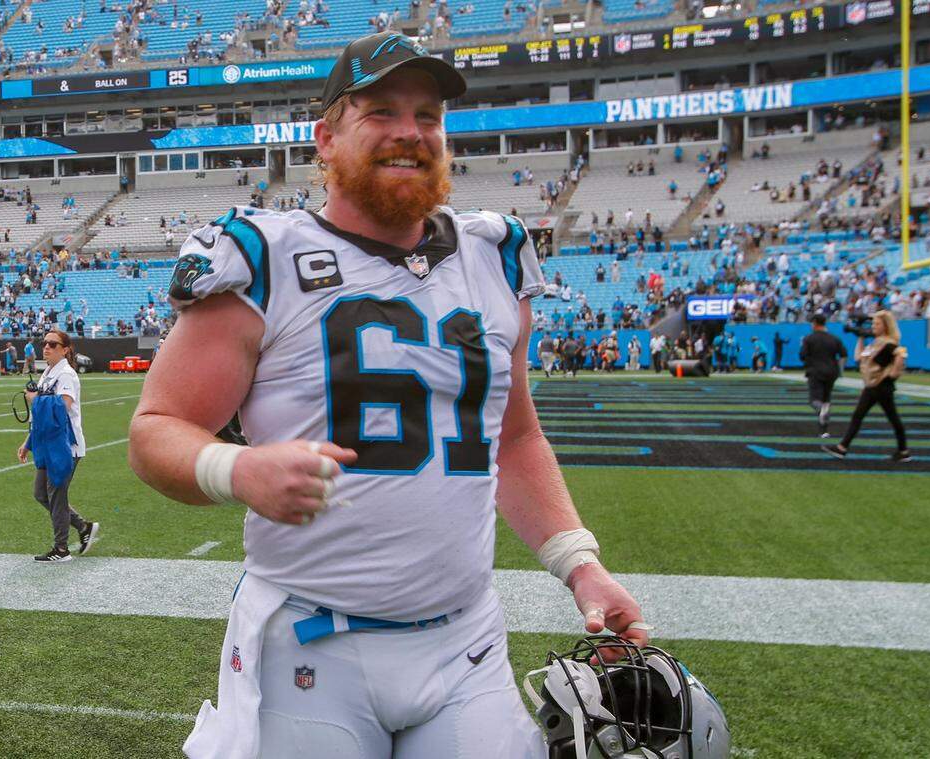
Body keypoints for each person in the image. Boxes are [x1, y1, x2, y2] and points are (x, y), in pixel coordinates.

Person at [127, 32, 647, 759]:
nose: (409, 132)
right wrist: (237, 470)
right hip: (310, 645)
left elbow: (514, 436)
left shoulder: (493, 259)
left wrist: (579, 563)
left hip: (466, 640)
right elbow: (157, 429)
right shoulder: (262, 259)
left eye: (428, 115)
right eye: (379, 112)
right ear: (326, 137)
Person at [17, 330, 99, 562]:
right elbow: (41, 418)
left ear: (65, 349)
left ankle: (61, 549)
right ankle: (83, 527)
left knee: (56, 496)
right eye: (45, 343)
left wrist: (36, 400)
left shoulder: (67, 375)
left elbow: (63, 405)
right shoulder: (48, 373)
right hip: (47, 445)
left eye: (53, 344)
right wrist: (28, 442)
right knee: (41, 493)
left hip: (65, 446)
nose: (47, 347)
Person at [822, 311, 911, 462]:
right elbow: (858, 357)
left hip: (881, 386)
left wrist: (894, 372)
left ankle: (843, 448)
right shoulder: (877, 342)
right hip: (872, 385)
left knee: (888, 418)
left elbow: (900, 354)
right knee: (864, 416)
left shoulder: (888, 343)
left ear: (886, 326)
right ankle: (902, 451)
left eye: (877, 324)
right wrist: (861, 337)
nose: (874, 326)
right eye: (873, 323)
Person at [799, 314, 846, 437]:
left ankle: (821, 412)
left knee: (815, 401)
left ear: (814, 323)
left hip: (815, 371)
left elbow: (802, 355)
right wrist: (840, 371)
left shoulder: (809, 338)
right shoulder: (834, 338)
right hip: (831, 372)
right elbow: (843, 354)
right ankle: (824, 431)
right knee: (826, 400)